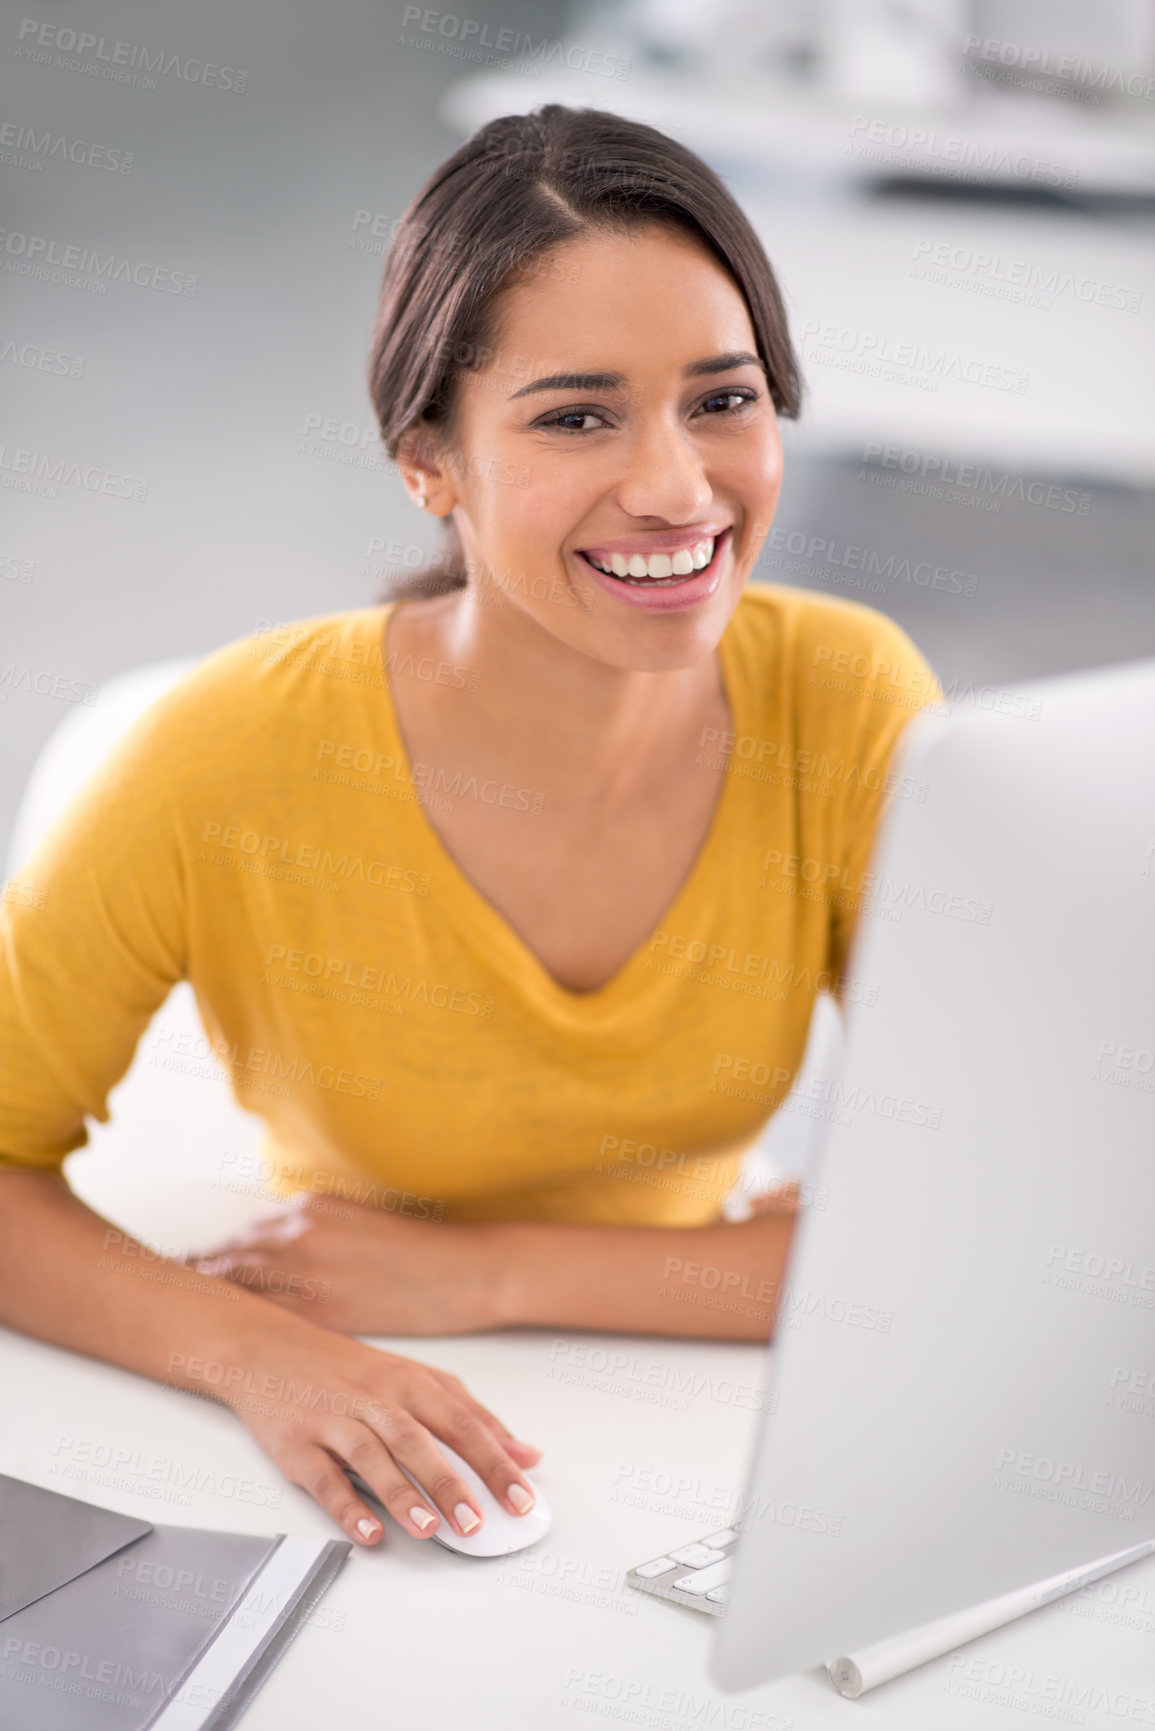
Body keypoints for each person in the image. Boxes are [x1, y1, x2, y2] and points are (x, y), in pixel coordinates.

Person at [0, 105, 940, 1553]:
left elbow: (966, 1238)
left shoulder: (851, 698)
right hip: (354, 1397)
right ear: (429, 459)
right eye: (577, 415)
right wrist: (263, 1360)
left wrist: (486, 1275)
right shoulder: (225, 751)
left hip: (684, 1411)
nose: (680, 488)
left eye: (723, 398)